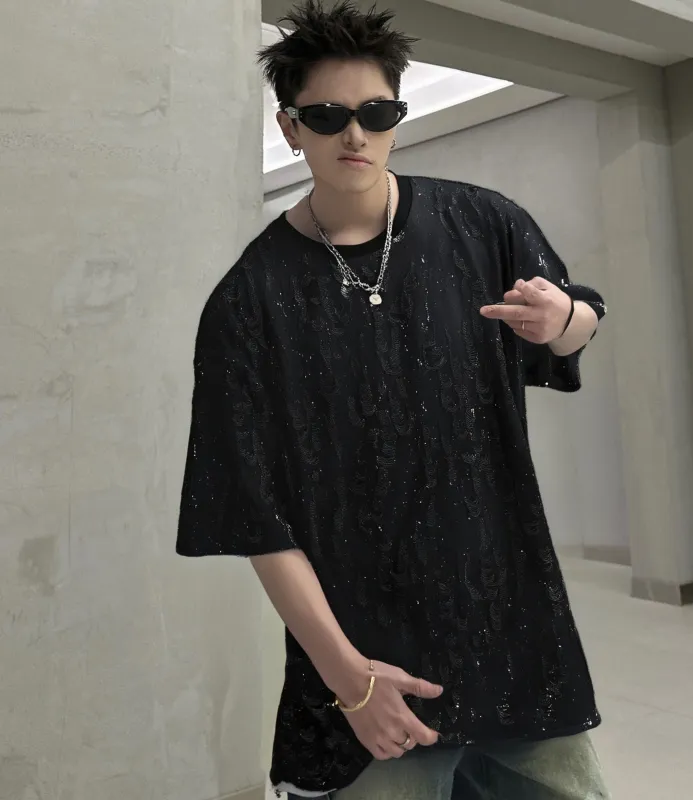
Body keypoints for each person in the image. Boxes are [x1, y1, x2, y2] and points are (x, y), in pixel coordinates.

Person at [177, 2, 610, 798]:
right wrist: (350, 681)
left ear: (397, 120)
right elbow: (256, 516)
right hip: (374, 670)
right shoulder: (249, 300)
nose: (355, 135)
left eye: (376, 114)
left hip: (515, 636)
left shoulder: (482, 223)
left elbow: (579, 318)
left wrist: (564, 323)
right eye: (328, 116)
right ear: (290, 127)